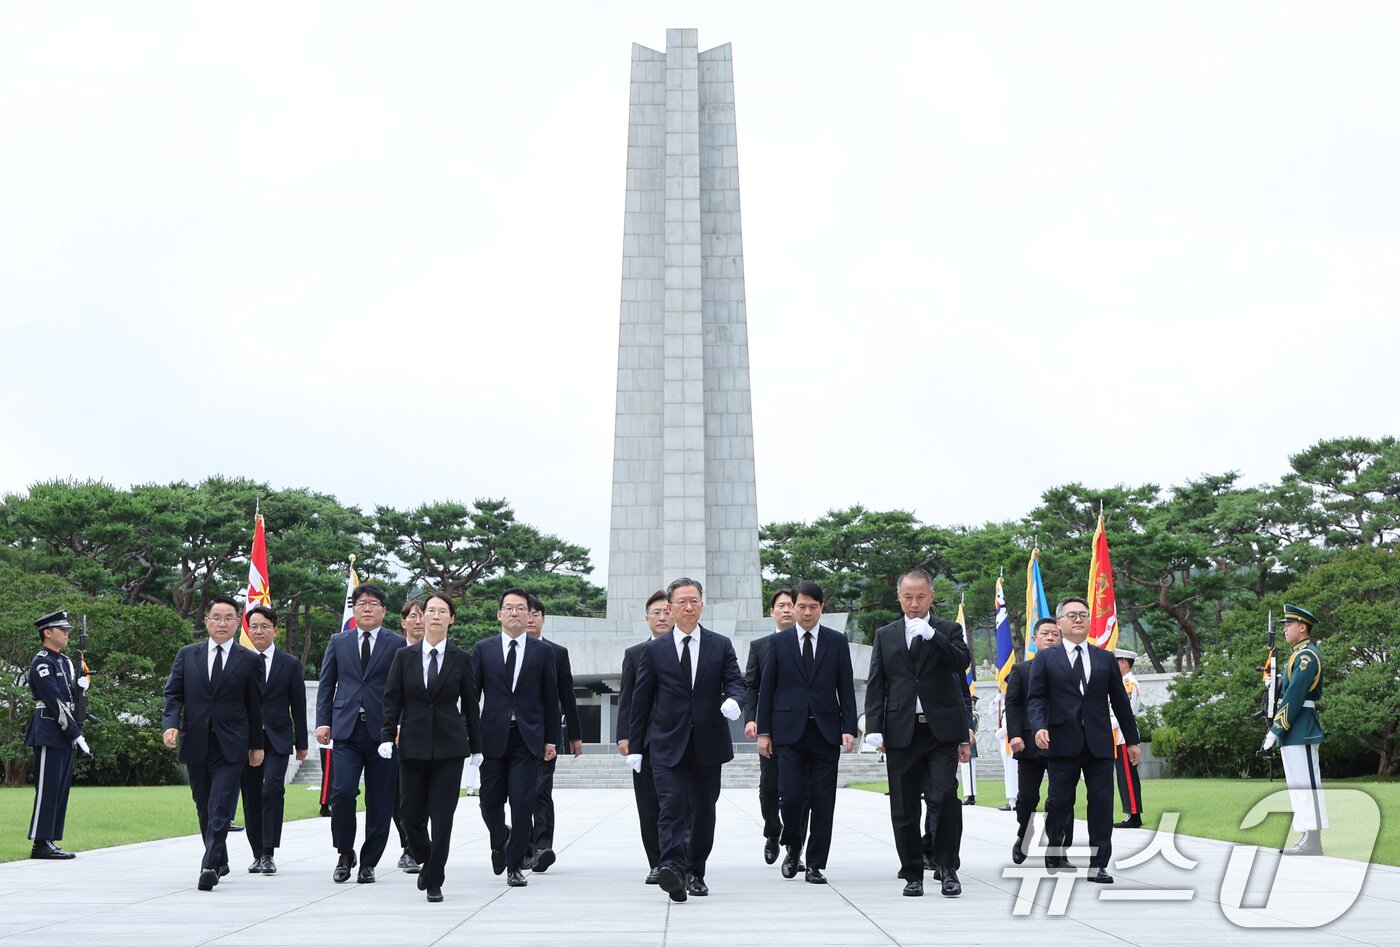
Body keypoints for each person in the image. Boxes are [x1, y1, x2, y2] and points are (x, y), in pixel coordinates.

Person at [628, 577, 746, 902]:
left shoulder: (720, 645)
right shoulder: (654, 650)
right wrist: (635, 747)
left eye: (694, 601)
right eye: (682, 601)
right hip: (667, 743)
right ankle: (672, 869)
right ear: (670, 607)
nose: (689, 607)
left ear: (702, 605)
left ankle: (696, 871)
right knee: (671, 806)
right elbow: (640, 701)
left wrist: (735, 700)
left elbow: (736, 682)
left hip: (708, 742)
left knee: (704, 810)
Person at [863, 568, 971, 898]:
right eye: (908, 597)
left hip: (941, 732)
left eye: (920, 597)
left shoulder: (948, 630)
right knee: (904, 805)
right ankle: (912, 873)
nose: (914, 603)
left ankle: (947, 867)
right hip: (901, 731)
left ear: (931, 597)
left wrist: (933, 636)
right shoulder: (886, 634)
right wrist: (874, 728)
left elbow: (961, 663)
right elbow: (877, 683)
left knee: (944, 797)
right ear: (899, 598)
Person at [379, 591, 483, 902]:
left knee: (442, 815)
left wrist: (476, 747)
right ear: (421, 618)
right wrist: (386, 736)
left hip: (450, 748)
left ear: (451, 619)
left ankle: (435, 877)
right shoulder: (404, 657)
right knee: (409, 814)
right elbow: (392, 699)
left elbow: (471, 705)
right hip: (412, 745)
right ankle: (426, 855)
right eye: (431, 611)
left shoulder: (461, 658)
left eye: (442, 611)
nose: (436, 616)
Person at [1028, 596, 1140, 884]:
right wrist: (1038, 727)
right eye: (1072, 615)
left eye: (1083, 614)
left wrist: (1132, 741)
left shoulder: (1104, 658)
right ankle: (1055, 850)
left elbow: (1120, 702)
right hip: (1061, 741)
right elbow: (1036, 698)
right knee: (1059, 802)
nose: (1078, 619)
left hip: (1098, 743)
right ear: (1060, 622)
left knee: (1101, 804)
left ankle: (1098, 864)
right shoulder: (1046, 658)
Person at [161, 594, 265, 890]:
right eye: (216, 617)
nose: (222, 623)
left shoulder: (249, 660)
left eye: (228, 618)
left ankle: (208, 865)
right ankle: (220, 857)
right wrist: (170, 725)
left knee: (221, 805)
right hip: (196, 740)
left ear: (237, 623)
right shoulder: (187, 655)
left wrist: (256, 745)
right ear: (206, 621)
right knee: (204, 805)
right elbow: (174, 694)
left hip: (232, 744)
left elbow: (255, 706)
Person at [756, 580, 856, 884]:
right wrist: (764, 731)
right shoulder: (779, 643)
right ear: (794, 607)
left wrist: (849, 728)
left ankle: (815, 864)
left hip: (826, 732)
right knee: (791, 798)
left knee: (824, 801)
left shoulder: (836, 641)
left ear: (822, 607)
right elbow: (767, 689)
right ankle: (793, 846)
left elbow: (845, 687)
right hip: (788, 733)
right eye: (802, 606)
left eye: (813, 607)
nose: (807, 612)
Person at [315, 584, 406, 884]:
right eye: (361, 603)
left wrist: (400, 724)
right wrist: (323, 722)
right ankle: (345, 853)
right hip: (346, 730)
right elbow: (326, 684)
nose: (367, 608)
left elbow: (405, 689)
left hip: (384, 734)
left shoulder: (397, 644)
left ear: (384, 610)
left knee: (380, 800)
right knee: (342, 793)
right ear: (353, 609)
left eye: (373, 603)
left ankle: (369, 861)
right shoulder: (338, 642)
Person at [471, 588, 560, 888]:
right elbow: (472, 696)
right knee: (489, 801)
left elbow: (551, 698)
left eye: (521, 608)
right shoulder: (483, 649)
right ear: (499, 614)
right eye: (508, 607)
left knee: (522, 803)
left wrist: (551, 739)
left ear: (528, 615)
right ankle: (501, 839)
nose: (514, 613)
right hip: (492, 736)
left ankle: (515, 866)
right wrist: (470, 736)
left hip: (528, 737)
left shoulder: (542, 651)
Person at [239, 606, 308, 875]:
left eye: (264, 626)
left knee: (272, 790)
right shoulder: (240, 660)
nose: (259, 631)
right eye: (254, 626)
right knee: (251, 796)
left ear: (275, 630)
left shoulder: (289, 664)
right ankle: (257, 853)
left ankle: (269, 852)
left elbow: (298, 704)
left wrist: (302, 742)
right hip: (247, 739)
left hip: (277, 738)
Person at [1004, 618, 1072, 864]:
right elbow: (1012, 704)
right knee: (1027, 798)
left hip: (1063, 744)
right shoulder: (1022, 670)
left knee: (1062, 799)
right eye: (1045, 633)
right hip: (1029, 744)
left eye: (1055, 634)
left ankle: (1058, 849)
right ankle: (1024, 833)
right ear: (1034, 639)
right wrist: (1014, 735)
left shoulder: (1070, 669)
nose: (1051, 637)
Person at [1261, 603, 1328, 856]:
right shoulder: (1297, 655)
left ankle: (1313, 840)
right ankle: (1306, 836)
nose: (1285, 629)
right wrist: (1274, 682)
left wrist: (1276, 729)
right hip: (1294, 728)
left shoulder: (1306, 656)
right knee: (1298, 786)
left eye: (1289, 624)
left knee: (1307, 784)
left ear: (1302, 627)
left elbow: (1296, 695)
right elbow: (1288, 689)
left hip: (1301, 727)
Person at [616, 590, 673, 883]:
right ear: (647, 618)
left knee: (681, 804)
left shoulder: (689, 648)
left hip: (681, 738)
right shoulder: (635, 654)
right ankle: (657, 862)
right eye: (656, 613)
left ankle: (679, 859)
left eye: (667, 612)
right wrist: (624, 736)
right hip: (647, 742)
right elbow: (626, 699)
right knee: (649, 804)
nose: (662, 617)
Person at [25, 610, 91, 859]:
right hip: (48, 730)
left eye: (67, 630)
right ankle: (40, 843)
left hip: (64, 730)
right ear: (47, 633)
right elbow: (54, 701)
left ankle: (50, 839)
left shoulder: (64, 662)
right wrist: (76, 734)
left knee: (60, 789)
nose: (67, 633)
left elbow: (69, 696)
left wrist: (80, 687)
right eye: (62, 630)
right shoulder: (42, 662)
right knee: (47, 788)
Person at [526, 595, 583, 873]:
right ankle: (522, 846)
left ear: (543, 619)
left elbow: (567, 695)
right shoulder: (504, 651)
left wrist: (575, 735)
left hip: (545, 734)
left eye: (536, 614)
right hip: (512, 734)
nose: (530, 618)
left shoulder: (556, 653)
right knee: (518, 793)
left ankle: (541, 848)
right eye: (527, 613)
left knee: (541, 790)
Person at [743, 588, 796, 866]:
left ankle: (795, 846)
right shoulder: (760, 646)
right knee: (769, 788)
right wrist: (751, 719)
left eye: (791, 605)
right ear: (772, 612)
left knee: (798, 792)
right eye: (781, 606)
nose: (787, 609)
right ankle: (773, 832)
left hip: (800, 728)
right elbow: (752, 687)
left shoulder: (807, 643)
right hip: (770, 728)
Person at [393, 599, 426, 873]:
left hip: (426, 735)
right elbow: (388, 695)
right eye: (412, 616)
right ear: (403, 622)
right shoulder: (394, 653)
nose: (418, 620)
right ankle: (408, 844)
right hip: (395, 735)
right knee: (399, 796)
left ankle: (413, 848)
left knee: (422, 795)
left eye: (422, 615)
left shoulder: (437, 653)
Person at [1111, 648, 1145, 829]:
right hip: (1119, 736)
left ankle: (1134, 814)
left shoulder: (1129, 685)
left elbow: (1125, 713)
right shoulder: (1122, 683)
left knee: (1128, 777)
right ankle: (1130, 813)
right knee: (1123, 777)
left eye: (1116, 662)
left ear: (1124, 663)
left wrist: (1105, 725)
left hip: (1125, 736)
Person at [989, 684, 1018, 811]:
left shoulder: (1010, 708)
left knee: (1012, 772)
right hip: (1004, 745)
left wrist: (998, 733)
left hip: (1010, 745)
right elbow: (991, 711)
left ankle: (1014, 801)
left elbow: (1008, 727)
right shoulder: (1003, 707)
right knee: (1008, 772)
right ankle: (1012, 800)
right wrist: (996, 700)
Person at [958, 695, 980, 805]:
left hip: (970, 744)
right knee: (965, 771)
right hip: (963, 743)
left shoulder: (974, 715)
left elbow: (971, 727)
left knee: (970, 771)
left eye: (972, 702)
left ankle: (971, 795)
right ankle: (968, 794)